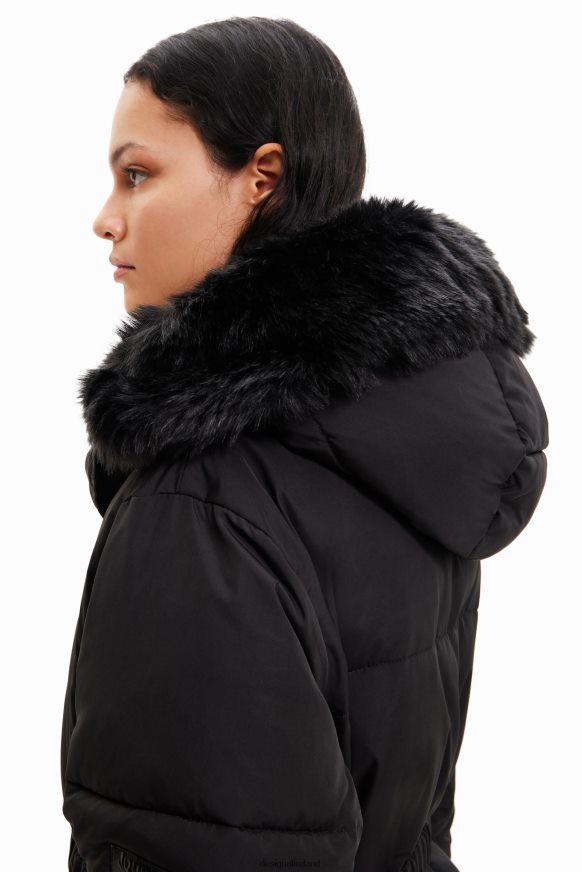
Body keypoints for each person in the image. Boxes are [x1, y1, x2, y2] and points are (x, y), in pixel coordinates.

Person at [60, 16, 549, 872]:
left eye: (137, 175)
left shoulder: (199, 508)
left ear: (263, 178)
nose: (106, 219)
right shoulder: (393, 442)